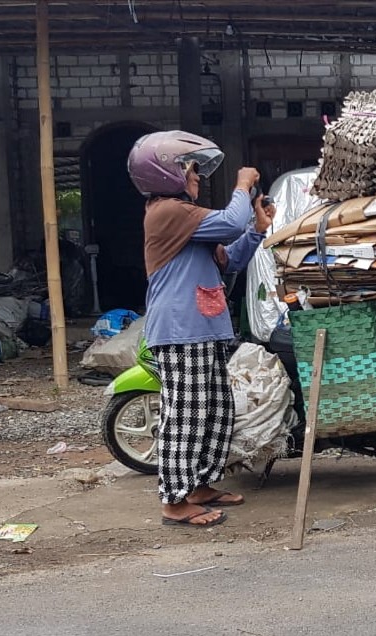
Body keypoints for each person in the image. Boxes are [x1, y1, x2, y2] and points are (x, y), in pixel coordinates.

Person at [127, 130, 276, 527]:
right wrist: (242, 185)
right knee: (187, 415)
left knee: (215, 412)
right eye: (191, 170)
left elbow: (230, 259)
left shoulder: (187, 219)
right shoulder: (167, 211)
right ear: (167, 172)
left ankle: (199, 486)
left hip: (204, 327)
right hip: (181, 330)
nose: (197, 178)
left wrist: (258, 229)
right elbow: (230, 222)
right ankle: (175, 501)